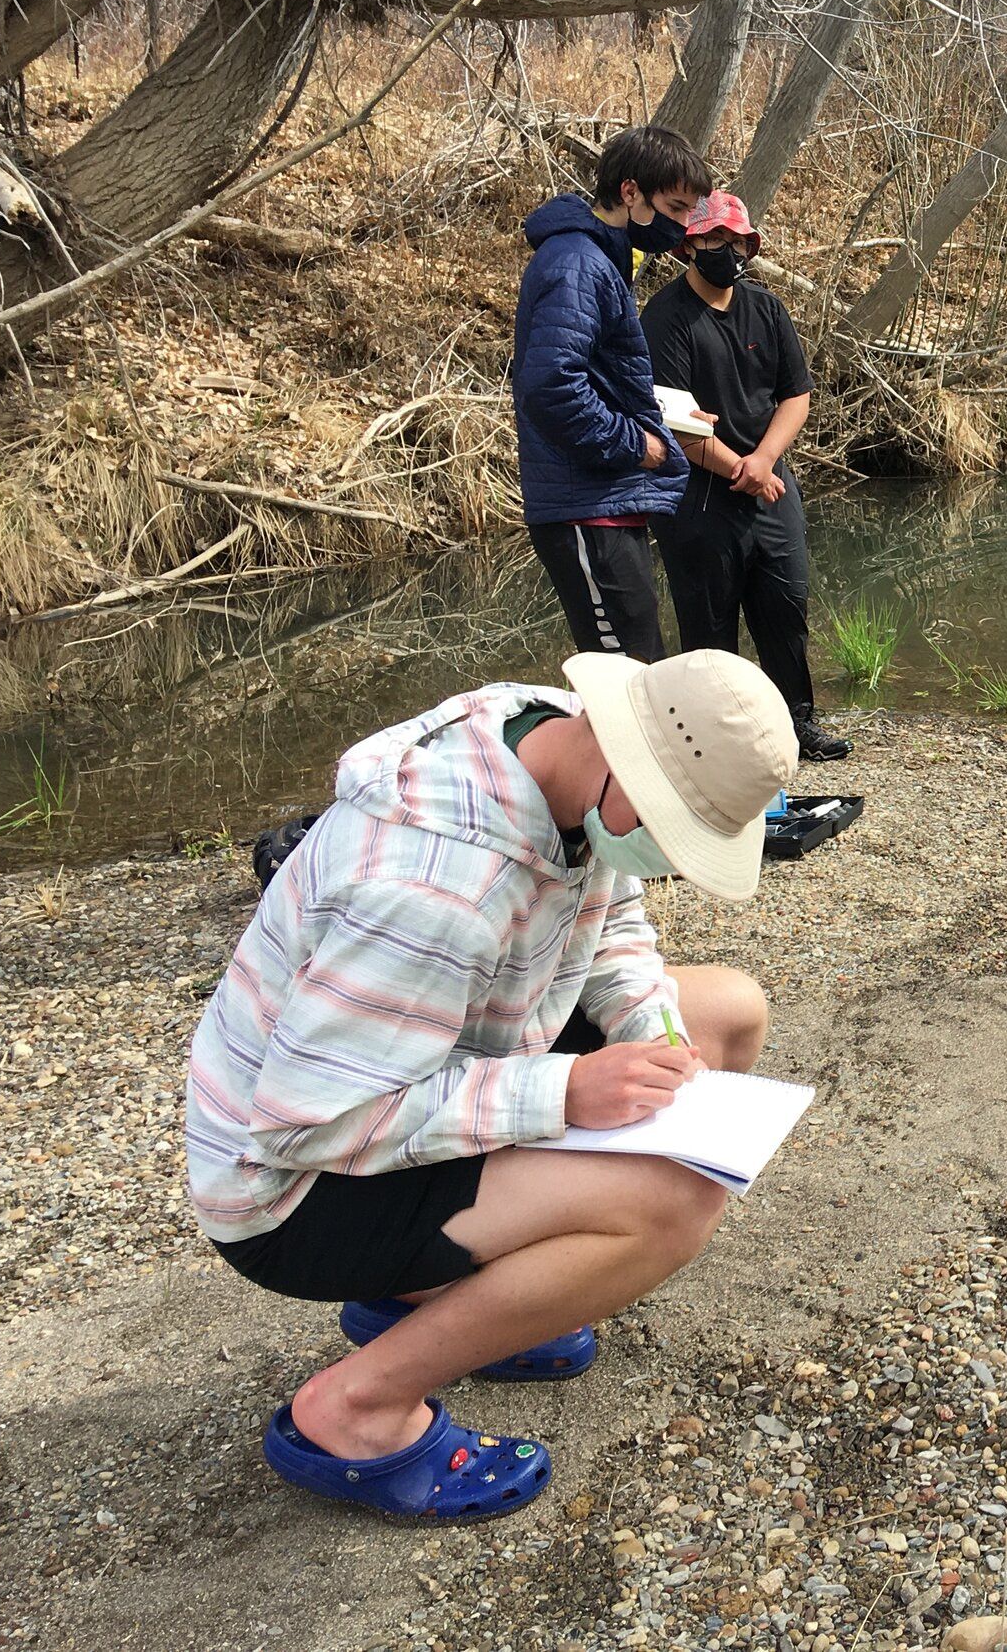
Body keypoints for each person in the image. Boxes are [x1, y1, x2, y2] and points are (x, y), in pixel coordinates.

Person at [185, 649, 797, 1522]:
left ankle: (434, 1294)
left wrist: (649, 1031)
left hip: (436, 1059)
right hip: (290, 1189)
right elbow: (305, 1122)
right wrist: (563, 1093)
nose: (666, 859)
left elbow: (608, 913)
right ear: (625, 766)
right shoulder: (433, 883)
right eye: (675, 831)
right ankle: (356, 1408)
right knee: (675, 1200)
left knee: (724, 1011)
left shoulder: (562, 745)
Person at [643, 190, 852, 763]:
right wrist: (739, 468)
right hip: (698, 498)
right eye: (714, 239)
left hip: (771, 486)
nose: (726, 251)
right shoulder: (664, 319)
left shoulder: (767, 309)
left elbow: (796, 395)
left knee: (786, 608)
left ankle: (796, 723)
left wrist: (762, 462)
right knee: (708, 626)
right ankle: (714, 741)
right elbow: (674, 421)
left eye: (737, 241)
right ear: (691, 244)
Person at [512, 125, 714, 663]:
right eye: (675, 206)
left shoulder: (601, 259)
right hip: (585, 506)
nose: (682, 225)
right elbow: (551, 386)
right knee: (622, 681)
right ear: (630, 193)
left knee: (639, 665)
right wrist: (638, 444)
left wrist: (663, 412)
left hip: (607, 502)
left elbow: (589, 373)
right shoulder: (577, 262)